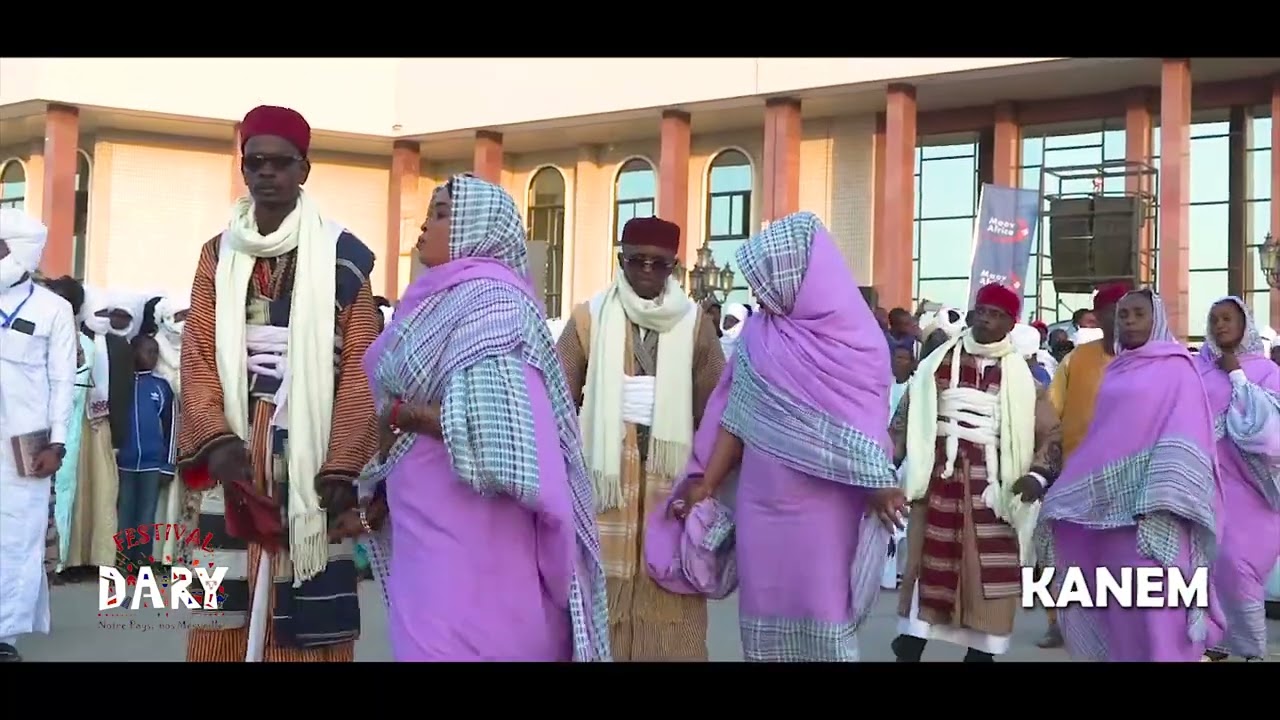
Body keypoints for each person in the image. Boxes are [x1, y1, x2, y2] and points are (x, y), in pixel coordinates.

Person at [344, 174, 610, 661]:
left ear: (478, 227)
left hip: (476, 525)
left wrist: (402, 414)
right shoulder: (429, 299)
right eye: (429, 213)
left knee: (465, 641)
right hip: (422, 517)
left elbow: (501, 427)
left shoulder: (495, 305)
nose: (426, 226)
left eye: (442, 213)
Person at [177, 104, 379, 663]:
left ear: (304, 170)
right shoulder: (216, 255)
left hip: (311, 457)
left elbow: (361, 366)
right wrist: (214, 439)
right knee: (220, 609)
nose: (267, 172)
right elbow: (196, 351)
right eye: (255, 162)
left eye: (280, 162)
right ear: (243, 169)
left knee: (309, 613)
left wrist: (343, 465)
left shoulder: (346, 256)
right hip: (232, 454)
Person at [657, 211, 905, 661]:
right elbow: (736, 417)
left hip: (827, 508)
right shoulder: (759, 335)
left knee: (823, 612)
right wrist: (707, 483)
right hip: (762, 504)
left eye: (766, 279)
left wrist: (879, 484)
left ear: (803, 276)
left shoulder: (860, 341)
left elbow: (865, 425)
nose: (758, 293)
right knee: (765, 617)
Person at [556, 215, 725, 661]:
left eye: (659, 263)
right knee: (599, 604)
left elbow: (716, 409)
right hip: (604, 482)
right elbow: (555, 398)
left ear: (674, 266)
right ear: (621, 260)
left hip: (672, 485)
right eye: (637, 261)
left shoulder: (695, 325)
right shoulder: (588, 319)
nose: (646, 270)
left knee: (672, 603)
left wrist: (704, 479)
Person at [1035, 289, 1223, 662]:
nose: (1129, 321)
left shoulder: (1177, 369)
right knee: (1119, 610)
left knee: (1160, 612)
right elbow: (1102, 440)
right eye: (1123, 315)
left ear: (1158, 319)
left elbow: (1185, 434)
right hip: (1107, 516)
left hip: (1156, 511)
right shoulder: (1116, 370)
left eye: (1139, 314)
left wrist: (1159, 499)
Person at [889, 282, 1063, 662]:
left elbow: (1050, 431)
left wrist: (1036, 476)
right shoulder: (935, 365)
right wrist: (887, 466)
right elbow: (904, 421)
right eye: (981, 309)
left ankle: (980, 655)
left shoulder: (1026, 379)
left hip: (996, 494)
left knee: (990, 582)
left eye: (996, 313)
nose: (986, 317)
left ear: (1010, 324)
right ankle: (909, 647)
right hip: (936, 484)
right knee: (924, 580)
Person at [0, 209, 77, 662]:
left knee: (16, 537)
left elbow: (63, 380)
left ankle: (4, 633)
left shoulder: (54, 309)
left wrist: (58, 442)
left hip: (25, 446)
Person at [1036, 281, 1129, 647]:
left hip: (1126, 477)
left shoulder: (1148, 359)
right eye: (1113, 313)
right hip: (1074, 474)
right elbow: (1050, 413)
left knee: (1117, 555)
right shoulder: (1077, 359)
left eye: (1129, 313)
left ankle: (1115, 622)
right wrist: (1041, 467)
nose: (1121, 320)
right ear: (1099, 319)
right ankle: (1055, 621)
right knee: (1052, 550)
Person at [1195, 297, 1280, 662]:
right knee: (1212, 563)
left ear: (1245, 324)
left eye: (1228, 319)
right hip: (1212, 485)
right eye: (1214, 319)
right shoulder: (1199, 370)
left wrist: (1236, 374)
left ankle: (1250, 648)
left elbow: (1268, 433)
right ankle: (1216, 640)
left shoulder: (1268, 372)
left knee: (1241, 564)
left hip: (1256, 491)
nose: (1220, 326)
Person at [42, 276, 92, 576]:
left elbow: (73, 374)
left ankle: (53, 564)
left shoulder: (70, 336)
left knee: (55, 493)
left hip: (54, 425)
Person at [114, 334, 174, 568]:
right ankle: (122, 560)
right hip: (125, 461)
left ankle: (142, 562)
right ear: (134, 352)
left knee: (147, 515)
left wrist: (168, 465)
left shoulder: (161, 387)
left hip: (152, 463)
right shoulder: (122, 385)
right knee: (124, 512)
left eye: (155, 352)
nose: (152, 357)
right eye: (147, 351)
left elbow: (172, 427)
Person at [150, 291, 190, 565]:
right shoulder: (150, 348)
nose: (184, 323)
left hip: (188, 429)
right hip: (159, 432)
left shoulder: (198, 346)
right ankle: (155, 554)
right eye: (178, 317)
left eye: (189, 316)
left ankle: (177, 554)